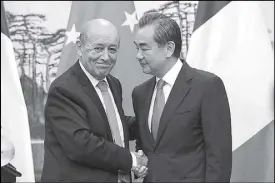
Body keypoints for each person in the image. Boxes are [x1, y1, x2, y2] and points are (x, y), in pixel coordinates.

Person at [41, 19, 147, 182]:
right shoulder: (63, 89)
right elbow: (81, 145)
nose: (106, 57)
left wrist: (151, 124)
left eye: (112, 49)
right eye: (98, 48)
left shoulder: (112, 83)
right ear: (80, 47)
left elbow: (110, 124)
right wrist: (132, 160)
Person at [130, 12, 232, 182]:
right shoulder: (140, 94)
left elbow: (219, 158)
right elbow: (147, 148)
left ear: (169, 48)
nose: (138, 55)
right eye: (137, 48)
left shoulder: (207, 86)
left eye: (144, 48)